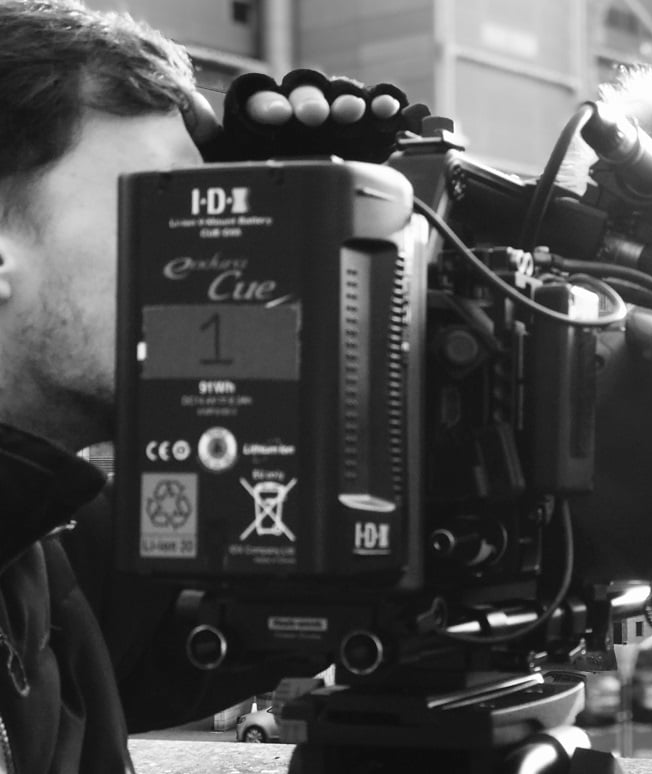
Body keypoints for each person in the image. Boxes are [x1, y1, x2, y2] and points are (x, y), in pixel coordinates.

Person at [0, 2, 411, 770]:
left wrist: (307, 272)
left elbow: (256, 591)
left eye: (209, 212)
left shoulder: (40, 553)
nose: (204, 266)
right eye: (161, 209)